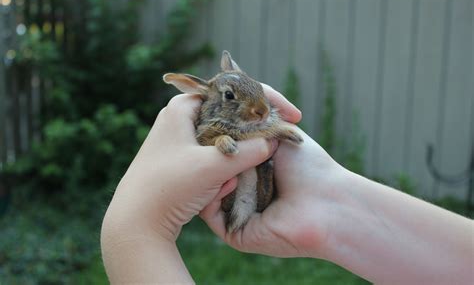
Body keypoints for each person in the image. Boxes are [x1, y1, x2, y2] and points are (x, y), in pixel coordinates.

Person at [101, 86, 474, 284]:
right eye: (233, 98)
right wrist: (328, 199)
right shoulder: (213, 121)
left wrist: (137, 230)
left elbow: (270, 128)